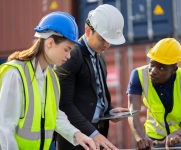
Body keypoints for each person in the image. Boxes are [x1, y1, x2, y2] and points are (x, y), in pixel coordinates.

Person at [0, 12, 96, 150]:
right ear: (50, 43)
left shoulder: (52, 78)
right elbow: (4, 127)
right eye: (66, 49)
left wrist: (77, 135)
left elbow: (54, 115)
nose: (69, 56)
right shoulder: (15, 73)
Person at [55, 4, 129, 150]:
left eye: (110, 41)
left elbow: (93, 97)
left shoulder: (99, 55)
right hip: (75, 141)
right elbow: (63, 104)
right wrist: (93, 133)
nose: (107, 44)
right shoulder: (71, 55)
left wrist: (109, 111)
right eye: (103, 39)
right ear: (88, 31)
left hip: (94, 136)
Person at [127, 38, 181, 150]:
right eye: (152, 64)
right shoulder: (138, 75)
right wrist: (140, 137)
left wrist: (178, 133)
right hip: (152, 139)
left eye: (161, 68)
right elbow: (133, 113)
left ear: (174, 69)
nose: (153, 71)